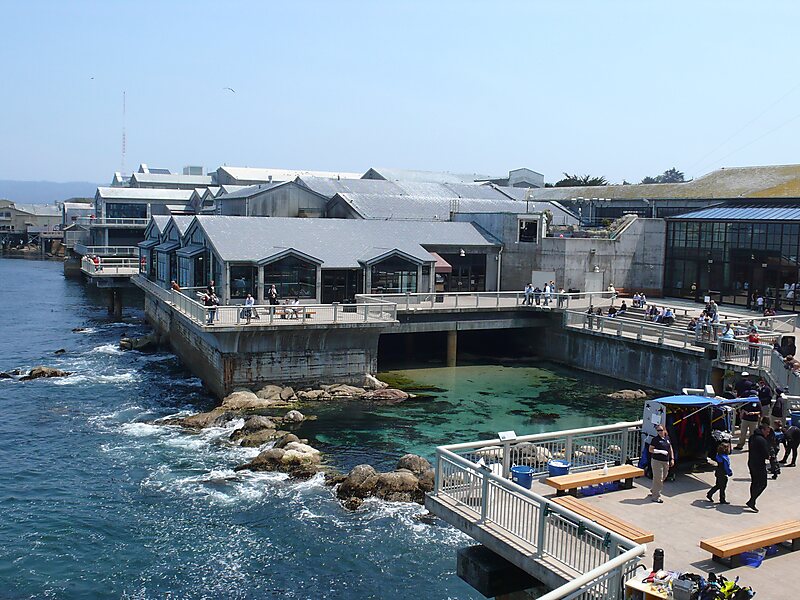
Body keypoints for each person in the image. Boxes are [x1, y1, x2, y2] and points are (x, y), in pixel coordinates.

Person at [746, 420, 771, 512]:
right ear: (763, 430)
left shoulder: (752, 437)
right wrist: (769, 456)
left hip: (751, 462)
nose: (768, 434)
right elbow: (765, 455)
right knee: (763, 484)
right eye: (767, 432)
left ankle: (752, 499)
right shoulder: (762, 440)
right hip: (759, 464)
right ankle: (752, 501)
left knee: (754, 482)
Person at [648, 425, 674, 503]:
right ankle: (656, 497)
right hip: (657, 461)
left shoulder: (667, 438)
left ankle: (654, 490)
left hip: (665, 461)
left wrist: (672, 458)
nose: (659, 432)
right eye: (658, 430)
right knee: (658, 478)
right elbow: (650, 450)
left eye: (661, 430)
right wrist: (660, 452)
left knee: (664, 476)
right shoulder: (655, 440)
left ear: (664, 430)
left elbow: (670, 448)